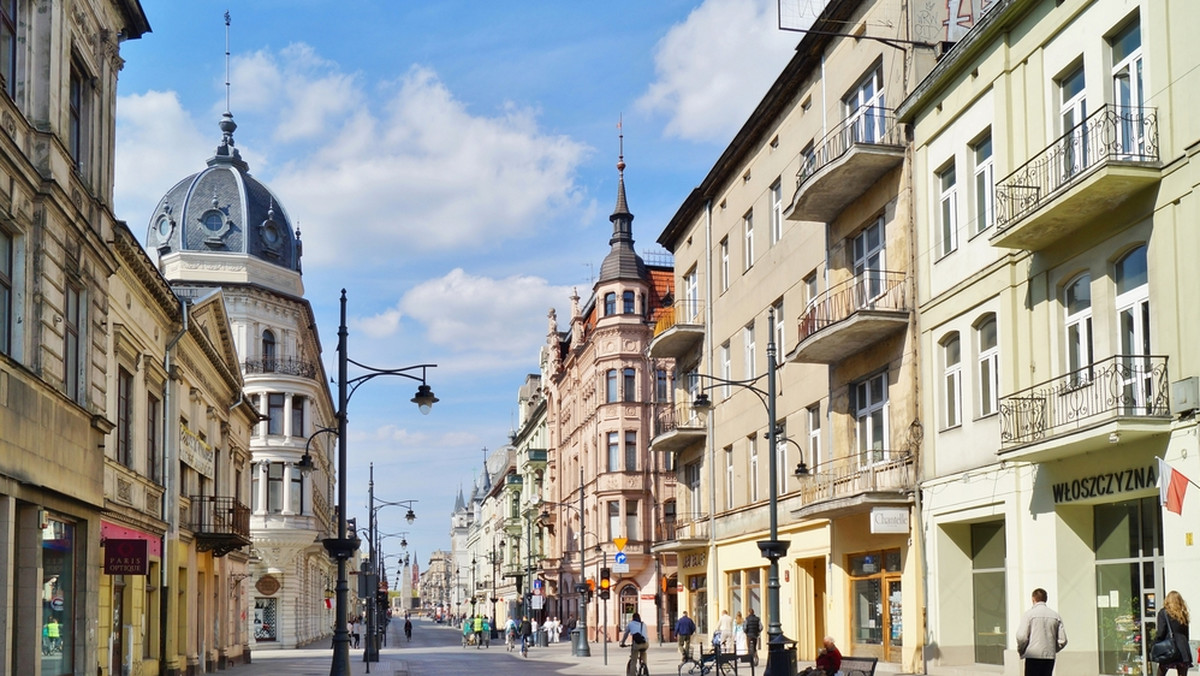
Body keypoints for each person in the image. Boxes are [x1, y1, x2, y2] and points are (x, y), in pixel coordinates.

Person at [1016, 588, 1067, 676]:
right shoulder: (1055, 616)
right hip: (1049, 656)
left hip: (1033, 655)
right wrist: (1052, 649)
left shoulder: (1029, 615)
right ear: (1046, 599)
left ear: (1033, 599)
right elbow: (1063, 640)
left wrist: (1021, 649)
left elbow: (1021, 636)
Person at [1154, 590, 1192, 676]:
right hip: (1183, 648)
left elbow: (1161, 632)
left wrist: (1156, 643)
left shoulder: (1163, 613)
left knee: (1161, 672)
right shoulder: (1183, 613)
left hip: (1169, 647)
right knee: (1182, 673)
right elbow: (1186, 633)